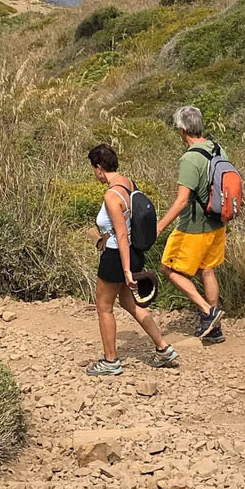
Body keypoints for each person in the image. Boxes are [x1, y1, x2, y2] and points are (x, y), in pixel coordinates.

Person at [86, 143, 179, 377]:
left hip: (118, 256)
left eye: (93, 169)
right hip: (135, 254)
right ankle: (163, 348)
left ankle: (110, 361)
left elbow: (121, 234)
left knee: (104, 307)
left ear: (98, 168)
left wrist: (126, 270)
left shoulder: (111, 195)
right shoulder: (128, 183)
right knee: (130, 304)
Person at [157, 105, 226, 343]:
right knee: (207, 268)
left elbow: (182, 200)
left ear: (182, 130)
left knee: (168, 268)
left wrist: (159, 227)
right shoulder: (217, 149)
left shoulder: (190, 158)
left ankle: (209, 312)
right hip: (218, 222)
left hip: (194, 226)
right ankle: (214, 328)